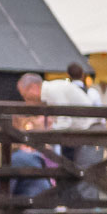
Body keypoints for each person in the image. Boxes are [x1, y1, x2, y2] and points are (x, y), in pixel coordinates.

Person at [41, 62, 99, 200]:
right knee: (84, 170)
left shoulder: (62, 89)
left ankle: (77, 203)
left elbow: (64, 118)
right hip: (80, 132)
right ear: (83, 75)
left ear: (68, 75)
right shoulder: (92, 92)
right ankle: (80, 203)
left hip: (76, 132)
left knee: (76, 169)